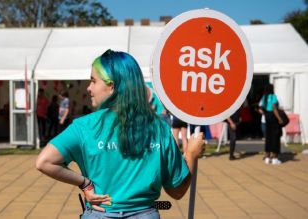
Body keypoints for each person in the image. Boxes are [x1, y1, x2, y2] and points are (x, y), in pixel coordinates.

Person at [36, 49, 205, 218]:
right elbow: (176, 191)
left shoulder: (84, 126)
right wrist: (191, 154)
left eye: (93, 81)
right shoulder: (159, 128)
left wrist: (85, 183)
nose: (88, 88)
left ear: (111, 86)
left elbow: (44, 162)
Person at [260, 84, 283, 165]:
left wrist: (266, 113)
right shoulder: (273, 96)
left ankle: (267, 157)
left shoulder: (264, 97)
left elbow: (261, 110)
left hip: (267, 117)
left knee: (268, 137)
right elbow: (274, 108)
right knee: (275, 137)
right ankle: (274, 158)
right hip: (273, 118)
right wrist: (279, 118)